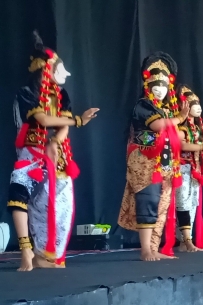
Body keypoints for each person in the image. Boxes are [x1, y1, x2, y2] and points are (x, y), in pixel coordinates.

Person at [8, 31, 98, 271]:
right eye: (61, 69)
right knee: (19, 196)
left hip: (57, 157)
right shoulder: (27, 93)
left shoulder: (62, 95)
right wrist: (78, 121)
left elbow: (60, 128)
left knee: (61, 207)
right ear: (47, 69)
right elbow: (44, 120)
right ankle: (26, 251)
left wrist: (55, 142)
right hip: (31, 155)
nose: (66, 74)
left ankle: (48, 256)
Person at [118, 52, 189, 262]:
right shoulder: (143, 105)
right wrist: (179, 119)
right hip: (144, 160)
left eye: (164, 85)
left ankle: (154, 247)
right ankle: (145, 249)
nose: (160, 89)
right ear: (147, 85)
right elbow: (158, 126)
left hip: (165, 162)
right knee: (148, 200)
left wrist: (178, 123)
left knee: (163, 204)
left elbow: (179, 133)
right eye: (156, 84)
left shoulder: (167, 109)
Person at [175, 85, 203, 252]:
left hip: (196, 171)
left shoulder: (199, 129)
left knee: (193, 204)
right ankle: (187, 240)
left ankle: (185, 241)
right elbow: (182, 145)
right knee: (183, 204)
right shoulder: (180, 128)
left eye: (198, 103)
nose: (198, 107)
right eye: (193, 103)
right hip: (182, 168)